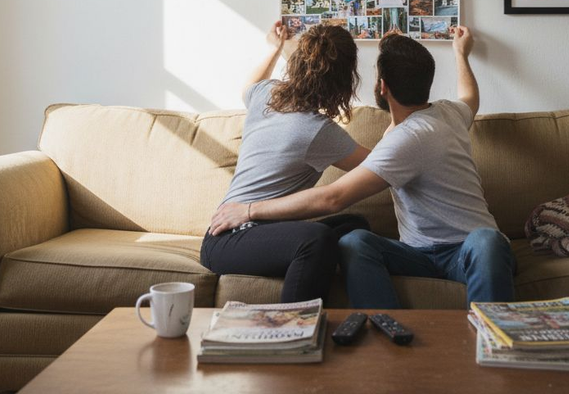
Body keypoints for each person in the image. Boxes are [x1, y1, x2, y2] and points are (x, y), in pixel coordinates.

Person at [210, 27, 515, 308]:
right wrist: (461, 54)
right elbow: (470, 98)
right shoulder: (451, 114)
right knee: (352, 239)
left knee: (485, 239)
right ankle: (385, 328)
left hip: (469, 252)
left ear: (382, 87)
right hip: (415, 253)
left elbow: (338, 193)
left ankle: (492, 337)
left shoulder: (266, 93)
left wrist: (276, 49)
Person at [200, 21, 371, 303]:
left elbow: (248, 86)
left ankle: (311, 266)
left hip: (239, 235)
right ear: (344, 79)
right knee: (317, 238)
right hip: (230, 237)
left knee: (354, 224)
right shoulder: (319, 131)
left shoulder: (266, 95)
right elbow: (379, 165)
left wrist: (274, 48)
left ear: (296, 63)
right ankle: (292, 322)